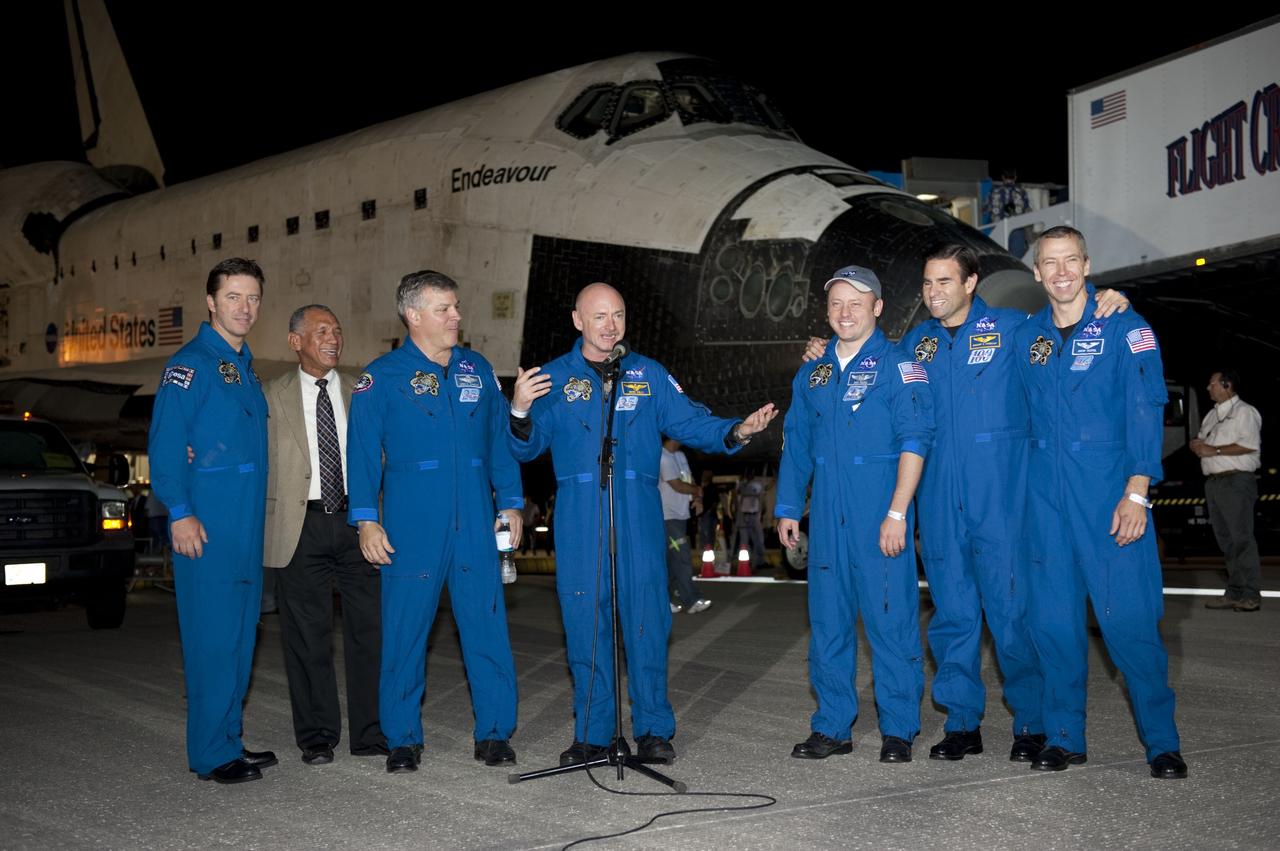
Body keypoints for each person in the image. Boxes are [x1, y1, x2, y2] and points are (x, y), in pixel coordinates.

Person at [509, 282, 777, 766]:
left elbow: (692, 423)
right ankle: (592, 734)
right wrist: (521, 409)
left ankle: (653, 729)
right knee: (586, 624)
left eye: (618, 315)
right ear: (578, 321)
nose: (610, 326)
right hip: (579, 514)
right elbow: (525, 449)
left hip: (638, 512)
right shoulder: (551, 380)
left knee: (647, 623)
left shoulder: (647, 375)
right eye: (599, 317)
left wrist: (736, 430)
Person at [1013, 225, 1186, 779]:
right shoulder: (1028, 338)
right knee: (1054, 625)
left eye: (1070, 261)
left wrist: (1138, 491)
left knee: (1130, 621)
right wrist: (830, 348)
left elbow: (1145, 409)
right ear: (1036, 274)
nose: (1061, 272)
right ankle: (1064, 737)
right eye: (1049, 263)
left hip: (1109, 498)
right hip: (1046, 503)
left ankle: (1161, 742)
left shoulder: (1124, 327)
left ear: (1086, 265)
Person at [347, 270, 524, 773]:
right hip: (411, 522)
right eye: (444, 309)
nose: (456, 317)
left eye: (456, 307)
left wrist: (509, 501)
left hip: (474, 518)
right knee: (404, 632)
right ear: (413, 315)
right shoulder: (380, 377)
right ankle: (402, 738)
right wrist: (365, 520)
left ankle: (494, 733)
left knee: (486, 628)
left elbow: (499, 442)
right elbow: (361, 455)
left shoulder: (478, 369)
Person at [777, 264, 934, 764]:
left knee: (892, 624)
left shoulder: (900, 366)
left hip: (878, 514)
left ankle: (899, 728)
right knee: (829, 625)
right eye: (836, 304)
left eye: (856, 303)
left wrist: (897, 513)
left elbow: (916, 440)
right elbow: (797, 443)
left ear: (878, 308)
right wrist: (787, 507)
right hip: (826, 517)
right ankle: (832, 726)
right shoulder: (814, 371)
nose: (845, 313)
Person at [148, 257, 276, 784]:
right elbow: (165, 444)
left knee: (241, 637)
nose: (244, 309)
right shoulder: (191, 364)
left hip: (245, 526)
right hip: (207, 524)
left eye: (252, 298)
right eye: (233, 298)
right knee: (211, 640)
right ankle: (209, 753)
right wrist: (179, 511)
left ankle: (229, 740)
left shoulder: (241, 366)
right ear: (210, 302)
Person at [263, 304, 386, 766]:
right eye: (320, 332)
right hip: (300, 526)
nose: (333, 339)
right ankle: (316, 736)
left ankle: (372, 733)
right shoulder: (270, 396)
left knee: (369, 632)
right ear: (296, 342)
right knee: (306, 636)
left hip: (361, 523)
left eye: (337, 331)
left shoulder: (365, 391)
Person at [1190, 370, 1263, 611]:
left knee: (1241, 539)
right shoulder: (1212, 415)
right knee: (1226, 540)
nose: (1208, 388)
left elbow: (1249, 445)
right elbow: (1204, 443)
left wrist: (1215, 451)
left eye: (1212, 383)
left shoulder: (1245, 412)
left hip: (1236, 481)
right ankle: (1234, 591)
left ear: (1227, 385)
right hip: (1214, 482)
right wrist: (1198, 445)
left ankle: (1251, 594)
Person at [660, 438, 711, 614]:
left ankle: (664, 601)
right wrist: (696, 491)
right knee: (681, 558)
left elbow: (688, 480)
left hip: (681, 515)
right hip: (667, 516)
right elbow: (677, 485)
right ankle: (691, 600)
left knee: (670, 561)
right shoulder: (662, 457)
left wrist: (697, 498)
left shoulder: (680, 456)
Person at [734, 471, 767, 573]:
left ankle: (759, 562)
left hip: (754, 515)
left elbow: (761, 495)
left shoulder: (755, 484)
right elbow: (738, 494)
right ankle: (744, 563)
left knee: (758, 540)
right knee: (744, 541)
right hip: (744, 515)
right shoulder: (743, 485)